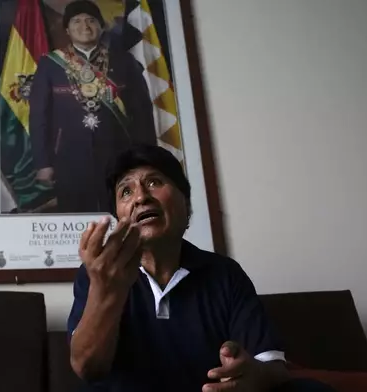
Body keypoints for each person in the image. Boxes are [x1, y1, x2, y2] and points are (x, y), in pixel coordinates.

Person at [68, 144, 337, 391]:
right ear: (119, 219)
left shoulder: (225, 274)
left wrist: (252, 375)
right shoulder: (98, 275)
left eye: (154, 182)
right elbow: (88, 368)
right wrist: (107, 291)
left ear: (186, 204)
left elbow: (274, 368)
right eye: (126, 191)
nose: (140, 197)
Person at [29, 0, 157, 214]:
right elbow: (38, 117)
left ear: (101, 26)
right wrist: (43, 162)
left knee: (121, 214)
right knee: (74, 217)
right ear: (67, 30)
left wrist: (145, 157)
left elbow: (142, 112)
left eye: (91, 20)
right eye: (77, 21)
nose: (85, 26)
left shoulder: (124, 61)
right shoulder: (50, 64)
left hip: (119, 153)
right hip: (68, 158)